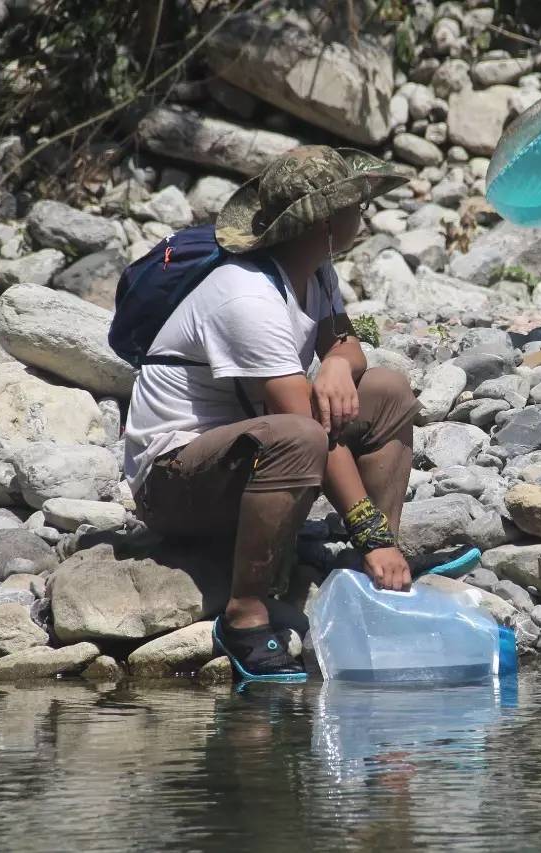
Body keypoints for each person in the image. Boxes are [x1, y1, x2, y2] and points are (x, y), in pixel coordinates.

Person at [123, 146, 420, 681]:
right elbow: (315, 431)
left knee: (388, 391)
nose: (364, 218)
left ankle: (376, 569)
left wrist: (333, 361)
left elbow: (351, 348)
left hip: (247, 457)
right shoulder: (246, 295)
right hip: (172, 485)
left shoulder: (315, 271)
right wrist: (365, 529)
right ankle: (245, 616)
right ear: (328, 223)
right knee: (299, 435)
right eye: (359, 209)